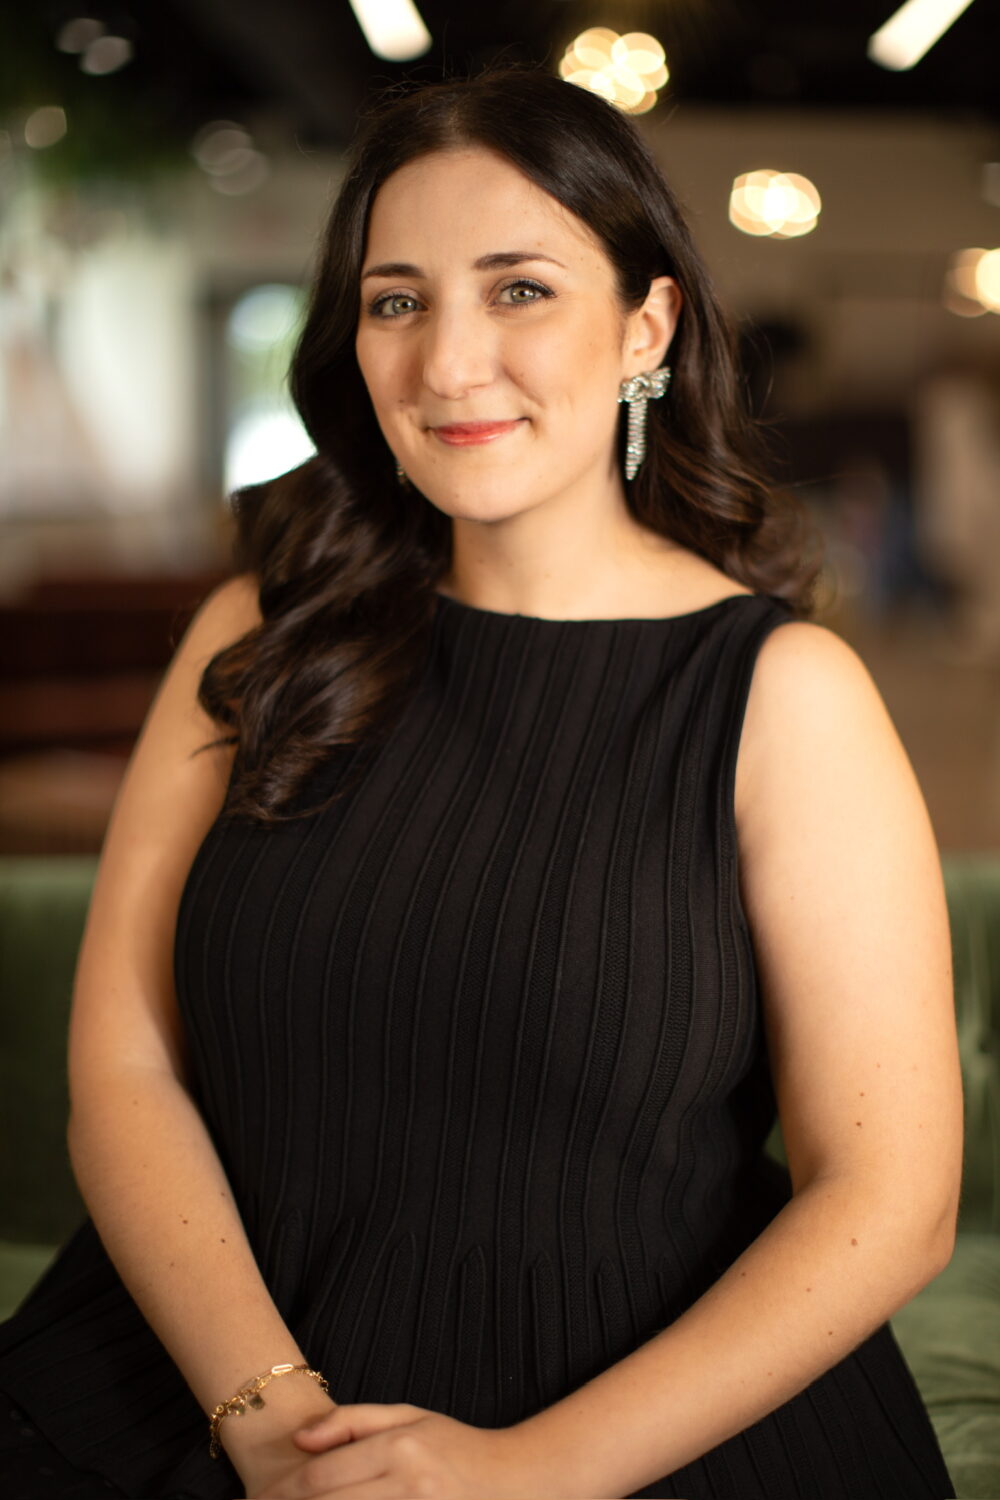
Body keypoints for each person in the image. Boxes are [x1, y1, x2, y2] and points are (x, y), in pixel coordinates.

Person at [0, 64, 962, 1500]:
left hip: (635, 1418)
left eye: (520, 290)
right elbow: (126, 1067)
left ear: (649, 326)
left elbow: (890, 1200)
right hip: (203, 1371)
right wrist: (269, 1416)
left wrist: (531, 1475)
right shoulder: (259, 635)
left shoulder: (782, 698)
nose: (448, 363)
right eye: (397, 300)